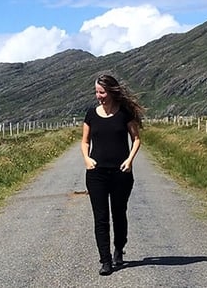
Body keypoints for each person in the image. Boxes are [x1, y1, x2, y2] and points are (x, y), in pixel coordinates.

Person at [80, 74, 145, 276]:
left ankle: (119, 248)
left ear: (111, 91)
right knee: (101, 218)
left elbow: (136, 139)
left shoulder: (124, 113)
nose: (98, 96)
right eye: (96, 92)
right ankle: (105, 260)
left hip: (121, 173)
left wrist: (130, 160)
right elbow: (84, 142)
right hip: (96, 174)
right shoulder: (91, 114)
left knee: (119, 213)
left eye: (101, 92)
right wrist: (87, 159)